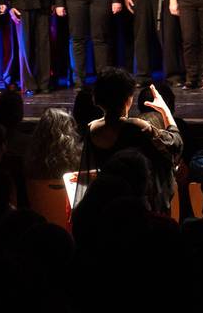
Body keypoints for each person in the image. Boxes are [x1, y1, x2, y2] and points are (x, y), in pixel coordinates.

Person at [75, 68, 182, 213]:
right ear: (128, 98)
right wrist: (165, 110)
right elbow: (175, 144)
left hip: (107, 204)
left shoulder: (92, 129)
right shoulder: (137, 126)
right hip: (136, 206)